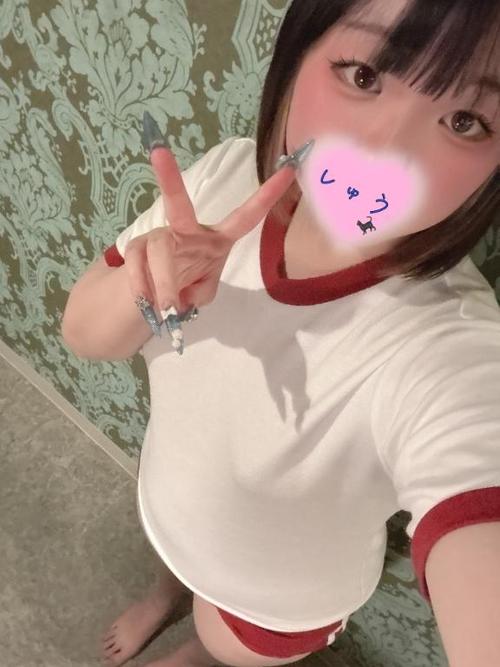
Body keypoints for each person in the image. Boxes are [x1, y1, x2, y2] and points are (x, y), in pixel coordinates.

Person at [65, 0, 500, 665]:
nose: (384, 151)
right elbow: (83, 334)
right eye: (363, 74)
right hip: (171, 499)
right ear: (297, 57)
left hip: (271, 603)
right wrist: (147, 286)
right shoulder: (224, 180)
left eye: (465, 121)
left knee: (216, 643)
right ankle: (166, 596)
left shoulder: (452, 343)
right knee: (172, 561)